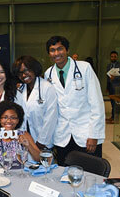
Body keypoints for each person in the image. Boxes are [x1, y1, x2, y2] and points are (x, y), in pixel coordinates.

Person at [44, 36, 105, 166]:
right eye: (52, 50)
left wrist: (94, 135)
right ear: (49, 54)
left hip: (86, 134)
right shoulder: (48, 74)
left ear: (67, 50)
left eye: (60, 49)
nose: (56, 53)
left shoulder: (85, 68)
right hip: (62, 136)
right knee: (64, 175)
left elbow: (97, 103)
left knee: (90, 175)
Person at [12, 56, 58, 150]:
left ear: (34, 68)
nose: (24, 75)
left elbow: (51, 118)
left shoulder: (47, 88)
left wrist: (41, 142)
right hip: (23, 141)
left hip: (42, 143)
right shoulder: (20, 90)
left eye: (26, 70)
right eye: (20, 73)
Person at [106, 51, 120, 123]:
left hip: (117, 86)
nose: (113, 58)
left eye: (115, 57)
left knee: (116, 103)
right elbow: (107, 77)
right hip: (111, 87)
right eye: (112, 56)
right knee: (112, 103)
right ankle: (112, 117)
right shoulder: (109, 65)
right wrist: (107, 87)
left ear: (117, 57)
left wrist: (115, 78)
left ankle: (115, 118)